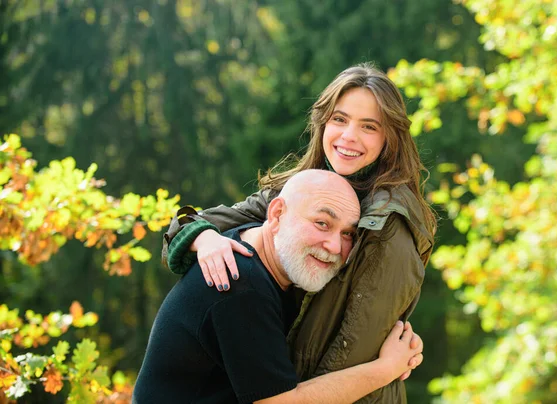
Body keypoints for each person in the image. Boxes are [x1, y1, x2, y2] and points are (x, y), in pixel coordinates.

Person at [163, 63, 436, 402]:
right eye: (340, 119)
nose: (349, 136)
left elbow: (350, 350)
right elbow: (190, 223)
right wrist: (204, 238)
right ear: (323, 123)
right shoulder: (300, 188)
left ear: (390, 138)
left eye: (369, 126)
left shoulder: (388, 224)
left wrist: (391, 365)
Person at [134, 170, 421, 403]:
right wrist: (386, 369)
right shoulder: (240, 285)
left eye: (348, 233)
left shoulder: (256, 250)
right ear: (276, 214)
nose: (335, 246)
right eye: (322, 223)